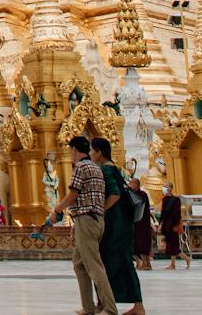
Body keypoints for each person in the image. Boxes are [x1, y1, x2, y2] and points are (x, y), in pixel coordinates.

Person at [65, 135, 119, 315]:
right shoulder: (96, 167)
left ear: (74, 150)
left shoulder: (80, 167)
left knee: (94, 266)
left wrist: (58, 208)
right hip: (95, 219)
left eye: (70, 150)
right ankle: (88, 307)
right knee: (79, 263)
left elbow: (73, 194)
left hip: (86, 219)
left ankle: (110, 309)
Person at [92, 138, 145, 315]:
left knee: (114, 262)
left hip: (116, 224)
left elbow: (114, 194)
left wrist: (100, 210)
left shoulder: (106, 169)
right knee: (112, 262)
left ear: (99, 152)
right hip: (119, 222)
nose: (91, 154)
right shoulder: (111, 168)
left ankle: (129, 305)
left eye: (93, 151)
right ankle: (105, 303)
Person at [158, 183, 188, 269]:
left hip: (172, 225)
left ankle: (183, 260)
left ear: (170, 188)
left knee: (173, 245)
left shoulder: (176, 200)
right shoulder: (164, 199)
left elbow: (177, 214)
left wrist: (176, 225)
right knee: (170, 245)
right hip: (166, 225)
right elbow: (162, 213)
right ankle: (175, 263)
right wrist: (160, 223)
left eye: (166, 186)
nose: (164, 188)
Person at [129, 177, 154, 271]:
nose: (130, 185)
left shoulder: (142, 195)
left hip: (142, 223)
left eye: (131, 184)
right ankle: (144, 263)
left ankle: (146, 263)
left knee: (143, 243)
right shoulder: (135, 194)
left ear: (136, 185)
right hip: (136, 223)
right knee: (137, 244)